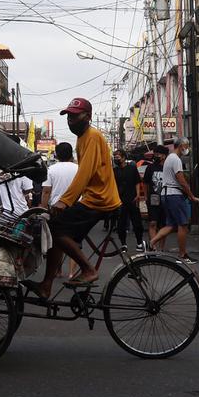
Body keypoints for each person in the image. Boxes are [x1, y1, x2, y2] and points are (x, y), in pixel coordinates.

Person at [37, 98, 122, 299]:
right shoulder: (82, 138)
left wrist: (64, 201)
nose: (71, 120)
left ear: (88, 117)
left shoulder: (92, 136)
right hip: (92, 198)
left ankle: (88, 270)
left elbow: (83, 174)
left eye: (75, 116)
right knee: (58, 231)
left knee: (57, 229)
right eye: (69, 117)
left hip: (99, 199)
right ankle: (46, 285)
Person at [148, 138, 199, 264]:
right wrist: (191, 196)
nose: (187, 148)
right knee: (183, 225)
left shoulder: (169, 158)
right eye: (186, 145)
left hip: (166, 194)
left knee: (170, 225)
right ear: (181, 145)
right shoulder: (175, 159)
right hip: (174, 195)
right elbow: (182, 180)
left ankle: (152, 242)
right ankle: (182, 255)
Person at [111, 148, 146, 250]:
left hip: (132, 198)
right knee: (121, 224)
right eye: (115, 157)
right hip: (120, 200)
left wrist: (138, 194)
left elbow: (137, 182)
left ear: (123, 157)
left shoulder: (132, 168)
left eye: (118, 156)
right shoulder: (114, 171)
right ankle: (123, 244)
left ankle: (139, 242)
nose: (116, 158)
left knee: (137, 222)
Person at [141, 145, 168, 238]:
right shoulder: (150, 167)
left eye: (158, 154)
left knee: (163, 225)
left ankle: (161, 249)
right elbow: (145, 183)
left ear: (164, 155)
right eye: (155, 154)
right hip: (153, 198)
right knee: (152, 222)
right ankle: (153, 247)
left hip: (166, 199)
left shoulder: (168, 168)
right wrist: (145, 196)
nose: (156, 156)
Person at [41, 142, 78, 208]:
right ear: (71, 154)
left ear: (57, 155)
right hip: (76, 208)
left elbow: (46, 191)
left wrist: (43, 209)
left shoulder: (50, 170)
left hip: (56, 209)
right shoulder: (79, 169)